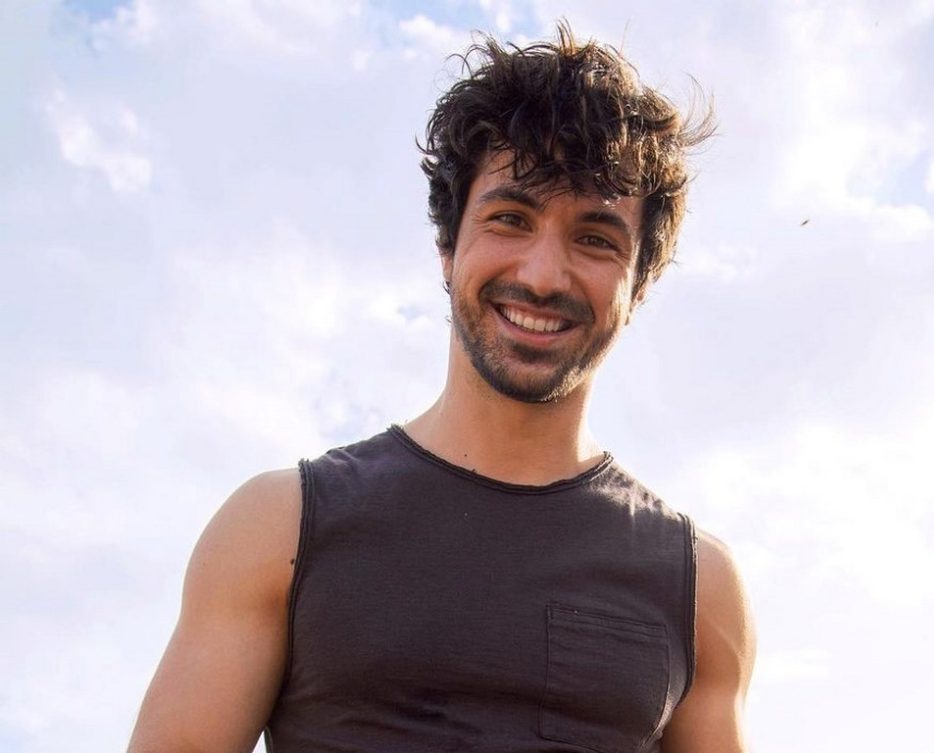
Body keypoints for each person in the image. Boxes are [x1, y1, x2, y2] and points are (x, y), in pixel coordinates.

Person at [128, 23, 756, 753]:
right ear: (448, 247)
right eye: (510, 219)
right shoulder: (279, 527)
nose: (542, 275)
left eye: (595, 238)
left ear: (638, 283)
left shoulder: (700, 586)